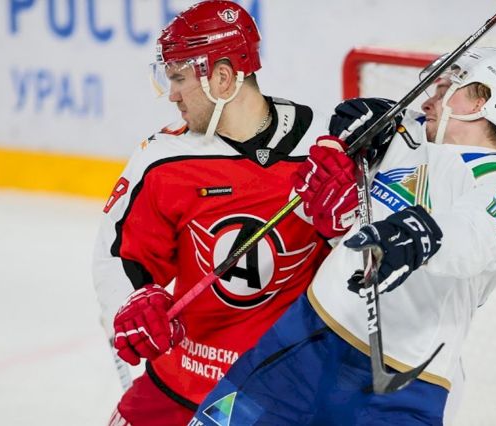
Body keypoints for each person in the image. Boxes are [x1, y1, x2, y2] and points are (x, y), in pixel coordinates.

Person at [189, 47, 496, 425]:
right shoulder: (400, 131)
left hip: (402, 382)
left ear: (482, 103)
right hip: (304, 340)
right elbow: (324, 209)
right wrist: (346, 142)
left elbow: (473, 238)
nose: (428, 101)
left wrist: (419, 234)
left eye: (444, 91)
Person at [91, 1, 341, 424]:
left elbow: (363, 272)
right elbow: (118, 256)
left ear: (222, 78)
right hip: (181, 379)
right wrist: (131, 303)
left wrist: (345, 225)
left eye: (179, 78)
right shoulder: (165, 160)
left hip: (281, 396)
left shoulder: (321, 151)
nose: (172, 94)